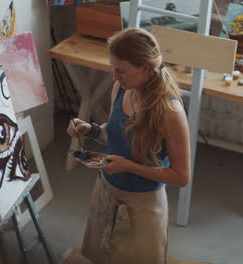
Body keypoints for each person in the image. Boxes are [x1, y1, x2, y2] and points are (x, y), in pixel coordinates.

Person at [66, 28, 190, 264]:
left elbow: (181, 176)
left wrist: (130, 167)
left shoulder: (170, 112)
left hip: (142, 205)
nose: (114, 76)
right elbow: (114, 137)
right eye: (113, 68)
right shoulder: (122, 89)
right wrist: (91, 130)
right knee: (103, 256)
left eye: (121, 70)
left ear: (145, 67)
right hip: (106, 191)